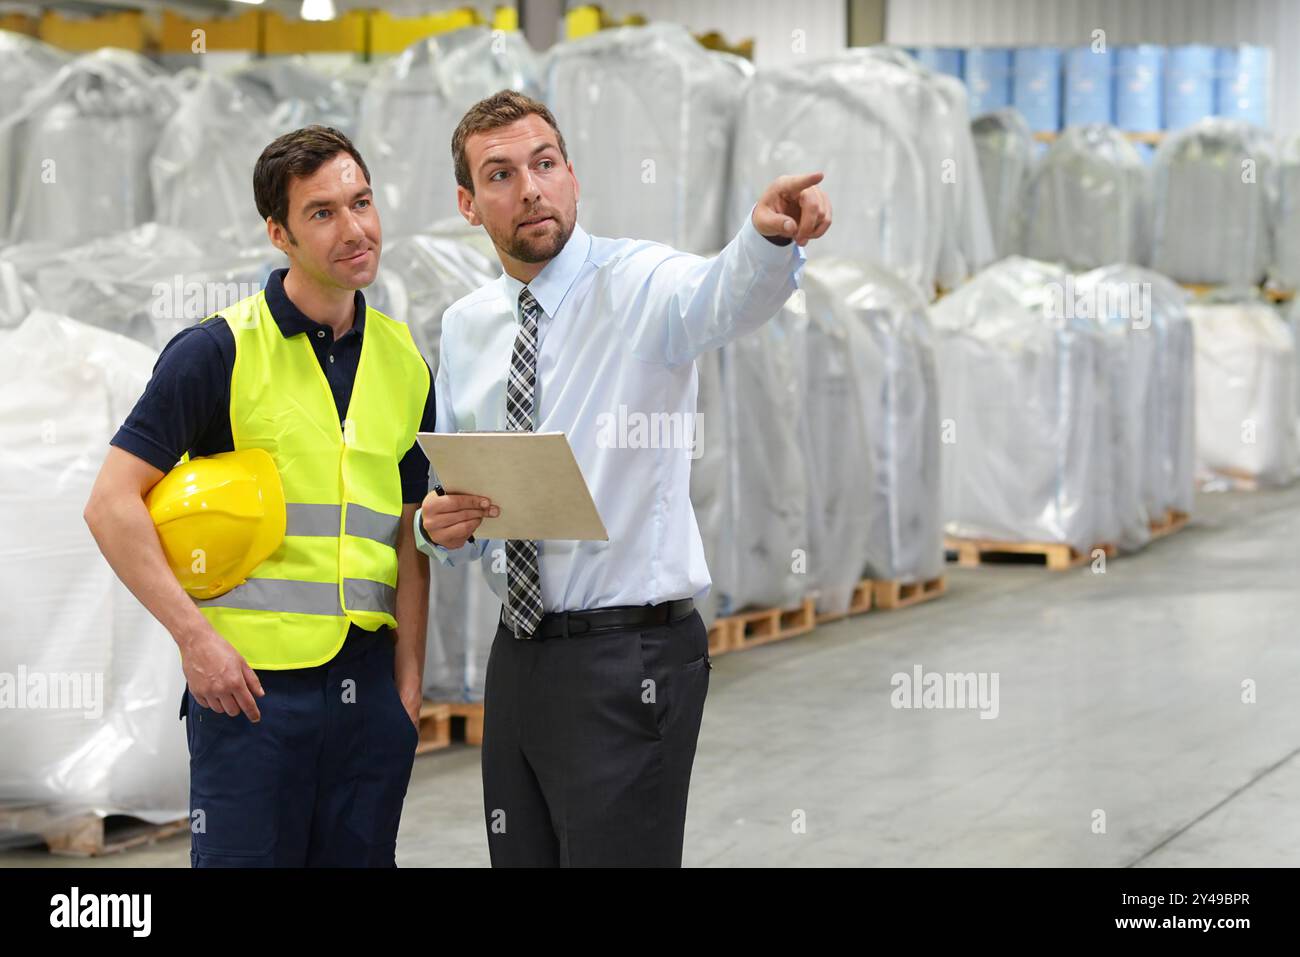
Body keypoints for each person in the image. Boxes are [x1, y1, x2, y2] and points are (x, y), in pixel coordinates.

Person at [415, 90, 831, 866]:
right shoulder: (468, 326)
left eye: (544, 164)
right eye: (501, 175)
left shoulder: (642, 283)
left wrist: (766, 241)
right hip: (519, 652)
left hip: (628, 656)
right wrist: (438, 529)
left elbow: (722, 296)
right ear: (469, 204)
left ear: (572, 174)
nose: (530, 188)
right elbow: (465, 496)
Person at [83, 125, 436, 867]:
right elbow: (112, 504)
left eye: (361, 202)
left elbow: (407, 532)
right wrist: (195, 639)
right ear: (278, 232)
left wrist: (407, 685)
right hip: (250, 699)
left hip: (367, 695)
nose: (354, 228)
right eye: (322, 213)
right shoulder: (218, 352)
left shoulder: (406, 363)